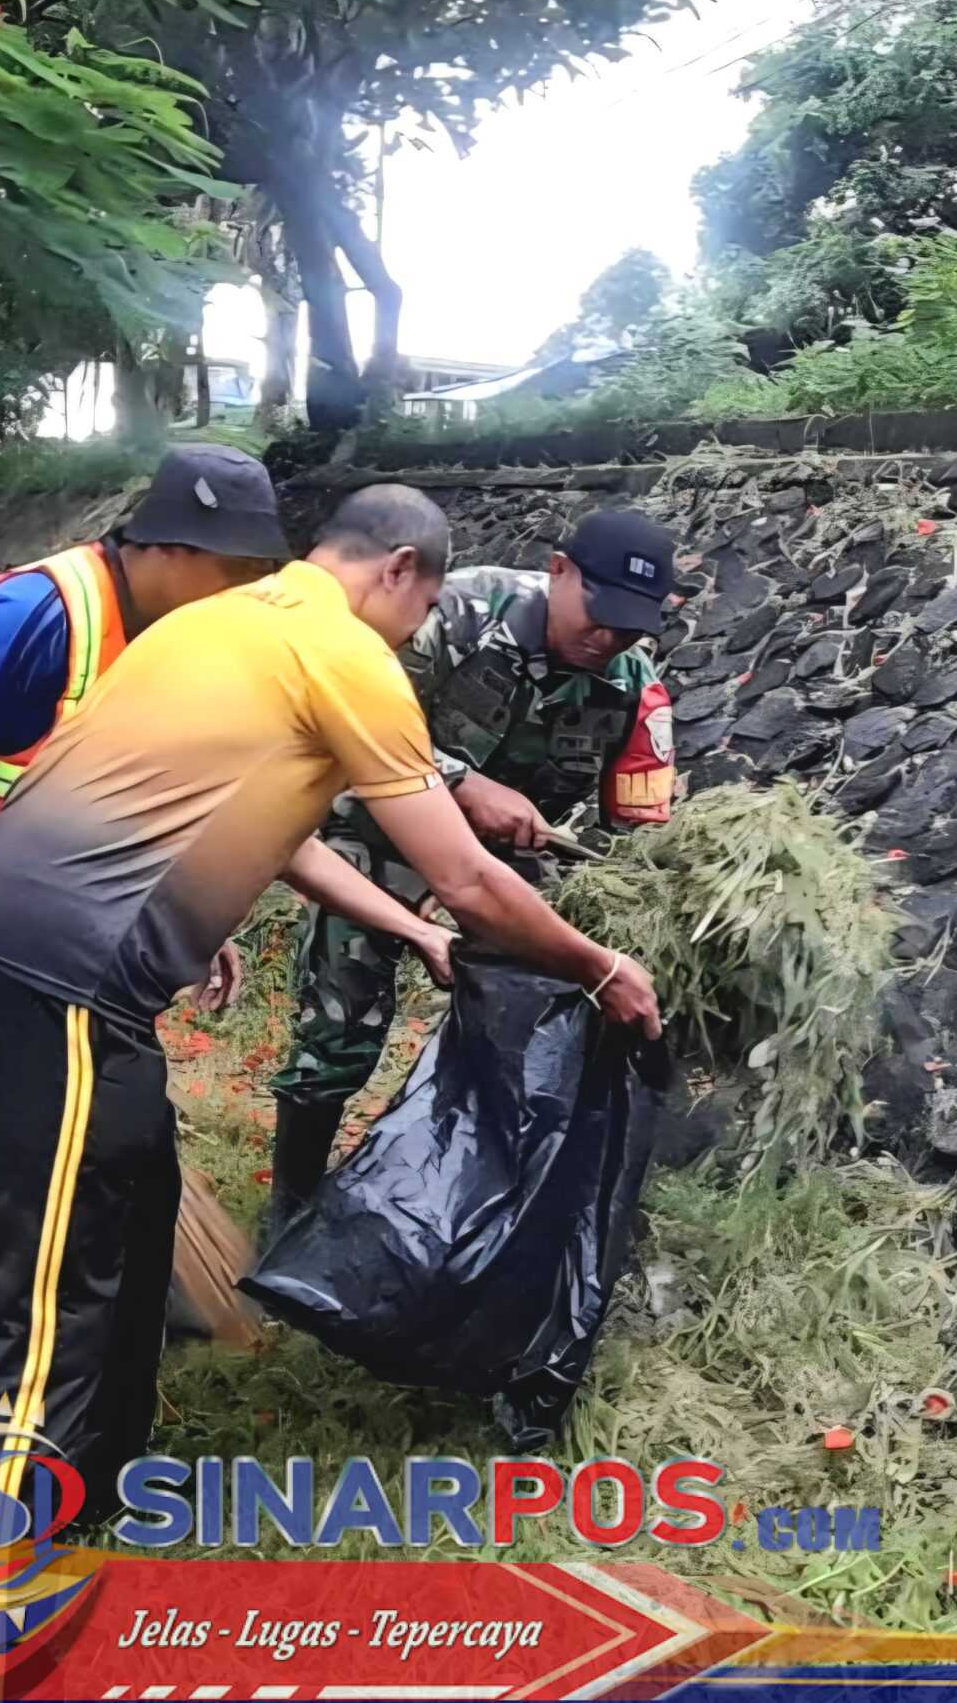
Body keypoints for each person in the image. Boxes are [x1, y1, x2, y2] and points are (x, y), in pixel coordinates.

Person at [0, 483, 661, 1524]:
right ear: (399, 570)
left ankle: (97, 1474)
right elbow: (465, 874)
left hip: (62, 959)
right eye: (421, 607)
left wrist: (409, 931)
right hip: (57, 969)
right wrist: (597, 965)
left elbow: (282, 832)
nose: (417, 630)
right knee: (55, 1256)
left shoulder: (236, 621)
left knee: (133, 1212)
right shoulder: (349, 658)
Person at [0, 446, 454, 1355]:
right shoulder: (37, 610)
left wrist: (168, 900)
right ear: (170, 548)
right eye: (231, 574)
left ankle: (136, 1297)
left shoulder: (187, 635)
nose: (241, 594)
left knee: (99, 1112)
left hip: (90, 931)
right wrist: (15, 910)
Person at [265, 505, 678, 1231]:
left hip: (507, 874)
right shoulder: (452, 616)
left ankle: (484, 1203)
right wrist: (458, 781)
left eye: (631, 626)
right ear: (559, 572)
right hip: (380, 839)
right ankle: (292, 1205)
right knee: (341, 1023)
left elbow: (634, 832)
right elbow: (341, 725)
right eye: (599, 613)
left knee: (540, 1021)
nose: (609, 637)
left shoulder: (631, 689)